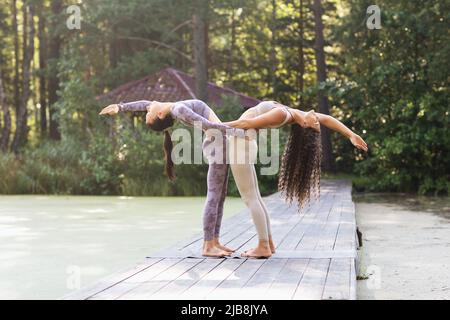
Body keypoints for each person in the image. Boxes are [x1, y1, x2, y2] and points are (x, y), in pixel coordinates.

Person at [99, 99, 246, 257]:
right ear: (161, 114)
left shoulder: (171, 109)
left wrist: (120, 107)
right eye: (149, 114)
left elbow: (143, 104)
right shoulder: (179, 110)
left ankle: (215, 242)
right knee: (214, 196)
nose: (148, 109)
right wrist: (242, 131)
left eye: (147, 113)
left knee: (220, 196)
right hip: (216, 145)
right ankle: (208, 245)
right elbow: (208, 125)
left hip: (219, 142)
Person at [224, 100, 368, 258]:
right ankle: (268, 243)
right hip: (244, 143)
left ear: (305, 124)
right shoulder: (295, 114)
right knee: (255, 197)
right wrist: (351, 135)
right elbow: (327, 119)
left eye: (316, 125)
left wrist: (213, 125)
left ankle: (263, 245)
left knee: (250, 198)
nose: (316, 118)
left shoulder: (281, 114)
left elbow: (245, 122)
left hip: (240, 146)